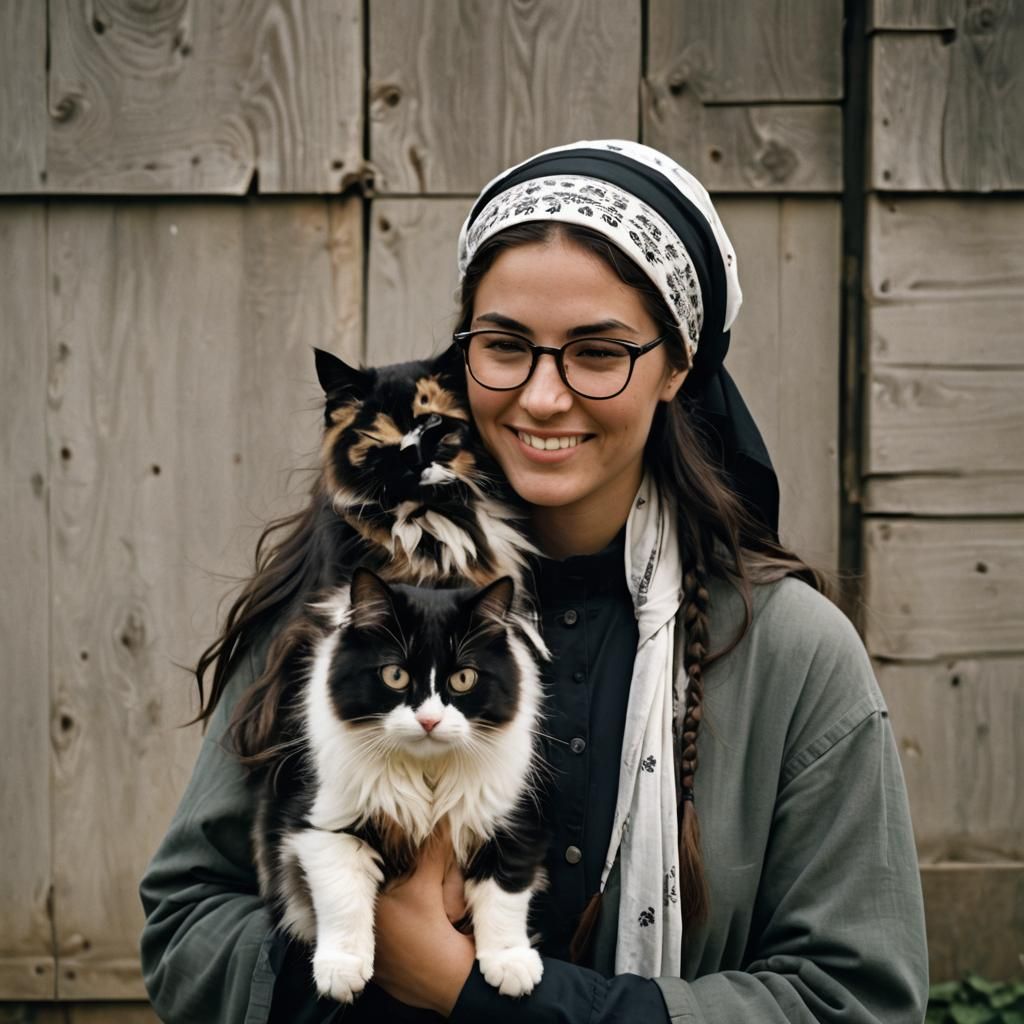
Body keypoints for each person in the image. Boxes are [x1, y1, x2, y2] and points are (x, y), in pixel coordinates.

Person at [139, 140, 929, 1023]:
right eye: (506, 345)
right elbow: (185, 929)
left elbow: (855, 999)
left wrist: (473, 992)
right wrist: (350, 950)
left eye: (598, 353)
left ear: (676, 366)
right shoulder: (334, 607)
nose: (543, 397)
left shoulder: (793, 654)